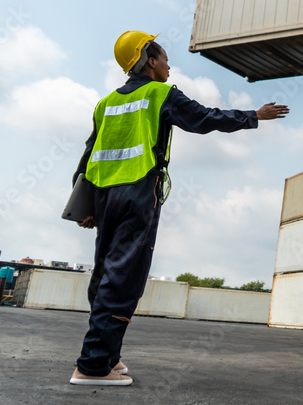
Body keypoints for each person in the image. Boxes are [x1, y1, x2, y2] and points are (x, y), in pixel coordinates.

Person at [69, 30, 289, 386]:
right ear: (150, 60)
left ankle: (108, 356)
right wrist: (254, 116)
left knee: (104, 275)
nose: (170, 66)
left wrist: (84, 204)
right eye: (166, 58)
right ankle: (92, 366)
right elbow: (205, 118)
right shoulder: (160, 94)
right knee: (122, 278)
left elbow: (90, 154)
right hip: (137, 192)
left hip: (104, 197)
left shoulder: (105, 103)